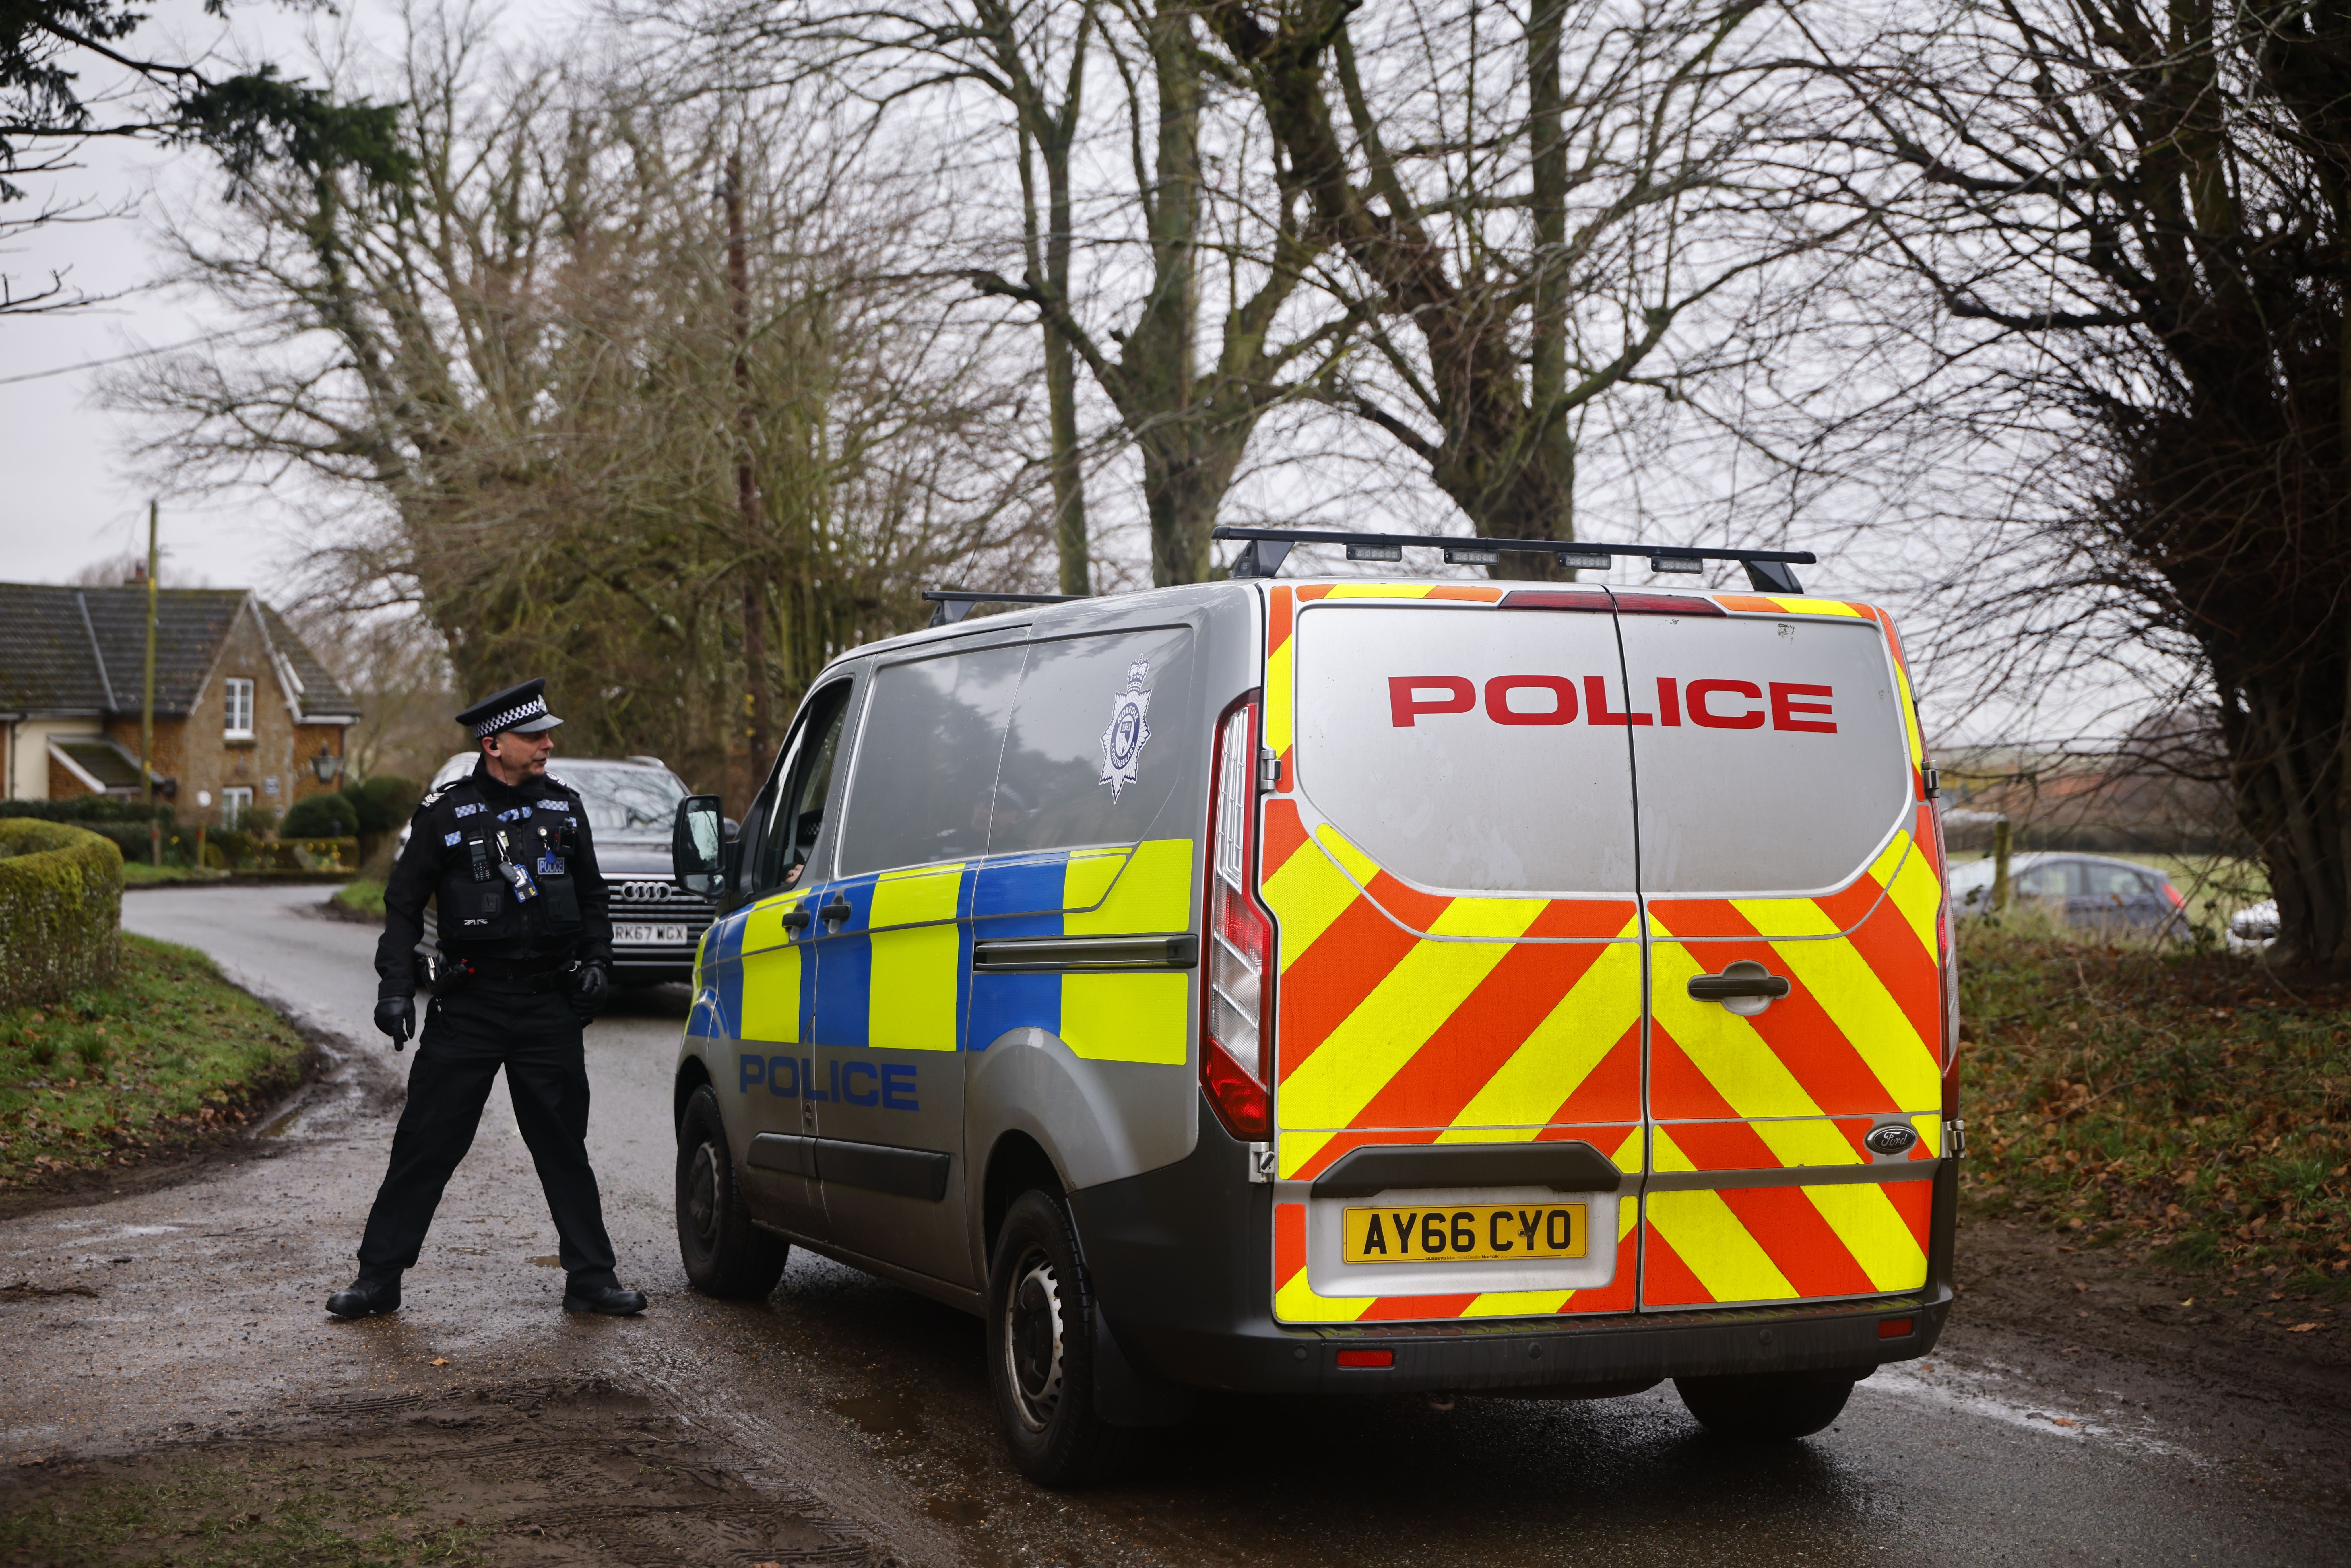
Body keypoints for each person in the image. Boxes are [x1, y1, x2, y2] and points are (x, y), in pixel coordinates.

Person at [326, 678, 647, 1319]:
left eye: (547, 735)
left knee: (563, 1148)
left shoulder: (565, 808)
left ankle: (591, 1276)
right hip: (469, 1006)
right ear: (494, 742)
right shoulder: (445, 813)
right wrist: (394, 988)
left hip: (547, 1008)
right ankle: (377, 1279)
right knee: (426, 1143)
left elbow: (592, 900)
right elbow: (402, 906)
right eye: (535, 736)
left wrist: (598, 964)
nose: (548, 744)